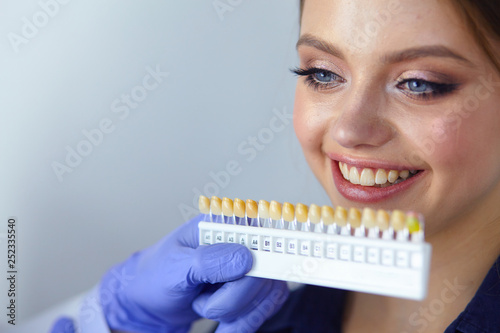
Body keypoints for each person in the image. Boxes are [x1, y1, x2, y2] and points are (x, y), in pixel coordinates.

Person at [50, 0, 500, 332]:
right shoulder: (261, 316)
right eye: (323, 74)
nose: (348, 130)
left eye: (419, 84)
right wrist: (113, 324)